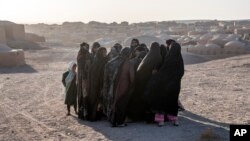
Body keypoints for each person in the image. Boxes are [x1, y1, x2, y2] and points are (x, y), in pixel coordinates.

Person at [144, 42, 184, 126]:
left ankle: (161, 121)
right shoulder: (180, 60)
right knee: (173, 103)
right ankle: (175, 120)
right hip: (175, 86)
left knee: (161, 102)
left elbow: (163, 71)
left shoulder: (169, 58)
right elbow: (181, 72)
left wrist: (155, 76)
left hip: (165, 85)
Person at [127, 42, 162, 121]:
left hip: (140, 78)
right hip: (148, 80)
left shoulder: (148, 55)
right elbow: (154, 71)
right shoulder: (158, 57)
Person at [102, 47, 131, 122]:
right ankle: (113, 119)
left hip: (109, 83)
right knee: (116, 101)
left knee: (110, 100)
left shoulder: (112, 61)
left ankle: (109, 117)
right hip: (116, 84)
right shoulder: (123, 62)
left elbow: (105, 76)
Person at [86, 47, 108, 121]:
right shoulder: (97, 62)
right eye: (103, 52)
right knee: (95, 100)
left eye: (105, 52)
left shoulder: (102, 61)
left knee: (98, 100)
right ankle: (93, 116)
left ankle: (97, 115)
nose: (105, 54)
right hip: (95, 85)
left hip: (98, 84)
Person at [77, 42, 91, 120]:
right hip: (83, 78)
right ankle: (83, 114)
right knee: (83, 96)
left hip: (87, 78)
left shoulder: (86, 54)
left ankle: (86, 114)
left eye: (87, 47)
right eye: (85, 47)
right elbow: (82, 67)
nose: (86, 48)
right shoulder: (81, 55)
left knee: (86, 95)